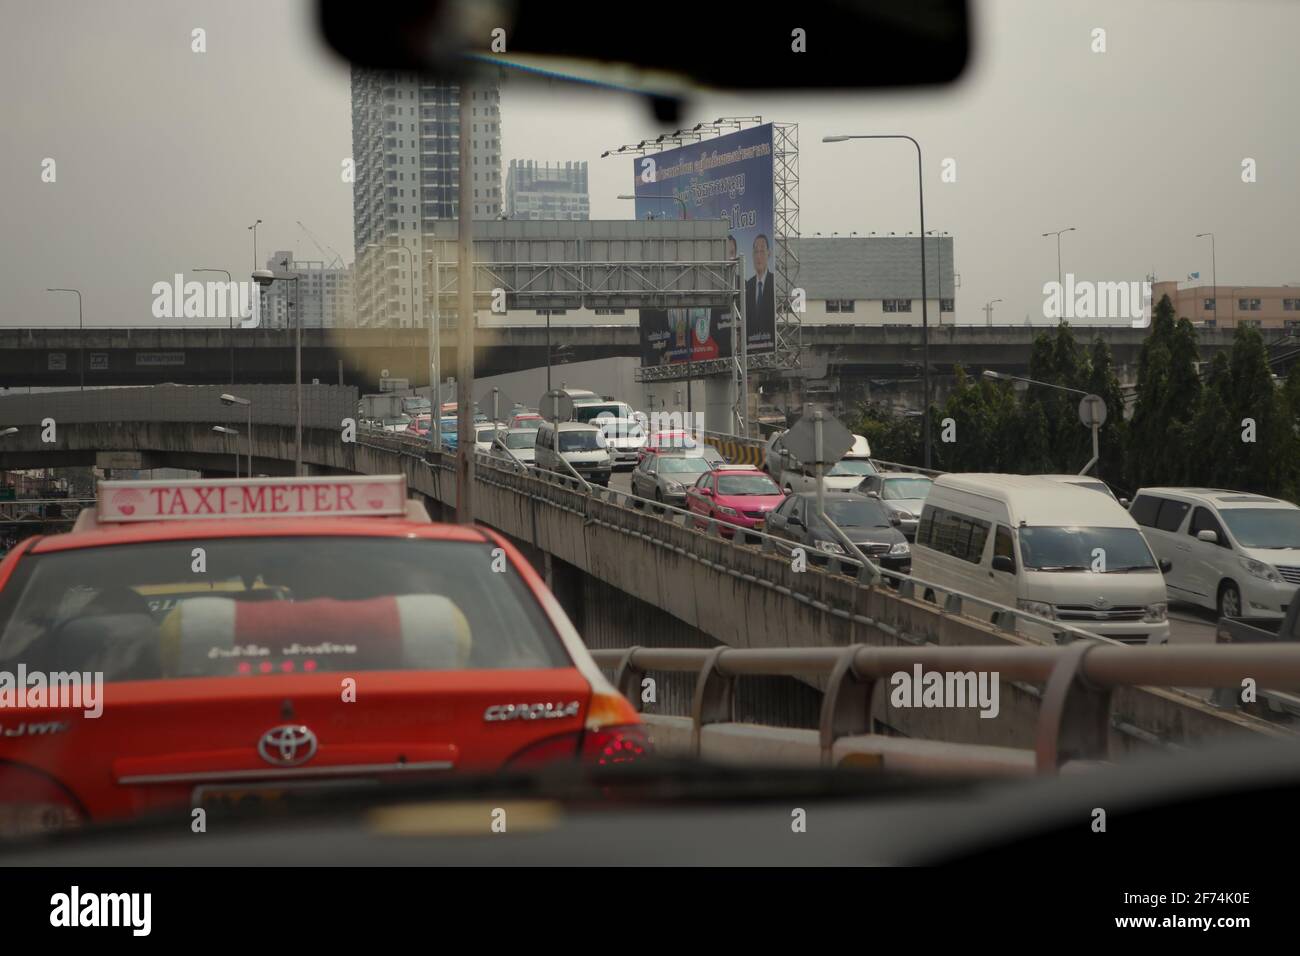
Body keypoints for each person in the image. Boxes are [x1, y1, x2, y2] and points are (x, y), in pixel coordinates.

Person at [744, 234, 775, 336]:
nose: (758, 256)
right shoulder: (748, 285)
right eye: (756, 251)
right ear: (752, 255)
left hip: (768, 341)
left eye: (762, 251)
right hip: (750, 343)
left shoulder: (774, 282)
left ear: (769, 253)